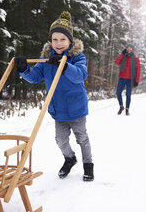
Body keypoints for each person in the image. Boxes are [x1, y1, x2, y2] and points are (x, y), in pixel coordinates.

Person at [14, 11, 94, 181]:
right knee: (60, 140)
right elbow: (35, 76)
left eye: (62, 39)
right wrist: (24, 69)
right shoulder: (47, 58)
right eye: (55, 39)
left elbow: (81, 75)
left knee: (82, 139)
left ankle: (88, 165)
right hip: (58, 110)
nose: (58, 43)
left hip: (77, 109)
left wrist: (64, 65)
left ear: (70, 41)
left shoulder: (77, 58)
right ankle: (70, 159)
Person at [114, 44, 141, 115]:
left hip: (130, 79)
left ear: (132, 49)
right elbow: (116, 62)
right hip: (122, 78)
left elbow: (138, 70)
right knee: (118, 93)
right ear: (126, 49)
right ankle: (121, 106)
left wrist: (136, 81)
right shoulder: (123, 56)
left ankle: (127, 109)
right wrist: (122, 54)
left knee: (128, 95)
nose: (129, 49)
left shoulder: (136, 58)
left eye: (130, 48)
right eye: (127, 48)